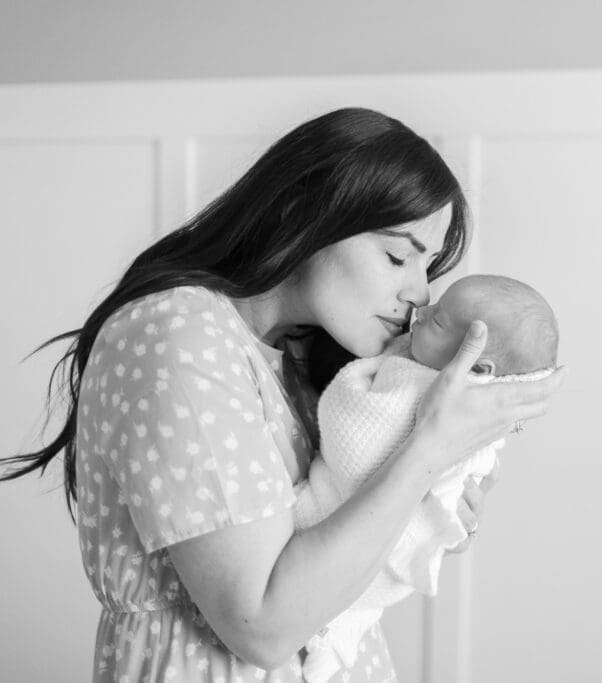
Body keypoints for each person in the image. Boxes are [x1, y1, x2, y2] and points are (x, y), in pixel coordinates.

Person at [0, 108, 566, 682]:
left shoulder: (307, 352)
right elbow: (262, 628)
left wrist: (440, 510)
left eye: (428, 264)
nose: (419, 293)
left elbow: (347, 540)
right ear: (306, 215)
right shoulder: (178, 334)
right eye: (398, 256)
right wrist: (427, 455)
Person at [295, 274, 559, 681]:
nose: (421, 307)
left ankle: (335, 635)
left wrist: (448, 519)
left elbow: (356, 447)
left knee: (344, 606)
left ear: (475, 366)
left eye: (437, 321)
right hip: (319, 563)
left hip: (348, 545)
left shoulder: (435, 393)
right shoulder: (402, 357)